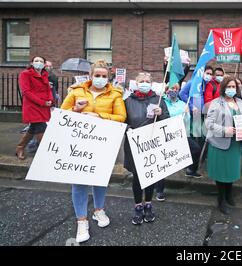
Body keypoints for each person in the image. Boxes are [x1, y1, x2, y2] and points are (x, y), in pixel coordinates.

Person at [60, 60, 127, 243]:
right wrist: (76, 109)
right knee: (79, 181)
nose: (100, 79)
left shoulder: (115, 94)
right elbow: (61, 113)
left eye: (104, 76)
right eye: (97, 75)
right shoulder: (76, 91)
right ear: (90, 76)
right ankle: (81, 220)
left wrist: (99, 116)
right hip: (79, 143)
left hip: (103, 144)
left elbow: (121, 117)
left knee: (100, 178)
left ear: (109, 77)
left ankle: (99, 210)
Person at [123, 72, 169, 224]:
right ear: (136, 83)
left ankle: (148, 204)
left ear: (151, 83)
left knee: (151, 175)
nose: (144, 83)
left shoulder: (158, 99)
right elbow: (121, 120)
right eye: (141, 81)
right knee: (137, 177)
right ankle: (138, 207)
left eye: (147, 81)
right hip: (135, 143)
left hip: (153, 144)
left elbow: (168, 120)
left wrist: (161, 114)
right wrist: (127, 128)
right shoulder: (128, 101)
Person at [205, 76, 242, 215]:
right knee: (221, 173)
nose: (231, 89)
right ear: (223, 88)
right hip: (220, 143)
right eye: (229, 87)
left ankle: (229, 195)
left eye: (234, 87)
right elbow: (208, 124)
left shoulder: (239, 102)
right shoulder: (216, 103)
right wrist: (224, 130)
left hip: (235, 142)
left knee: (231, 171)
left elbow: (241, 119)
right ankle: (221, 199)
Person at [16, 56, 54, 160]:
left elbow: (48, 89)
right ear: (32, 63)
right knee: (41, 128)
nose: (38, 63)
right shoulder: (25, 74)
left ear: (44, 64)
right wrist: (42, 102)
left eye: (41, 61)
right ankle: (47, 153)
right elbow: (26, 92)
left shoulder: (44, 74)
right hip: (32, 106)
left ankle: (20, 147)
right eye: (36, 61)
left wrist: (50, 101)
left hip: (43, 106)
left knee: (33, 128)